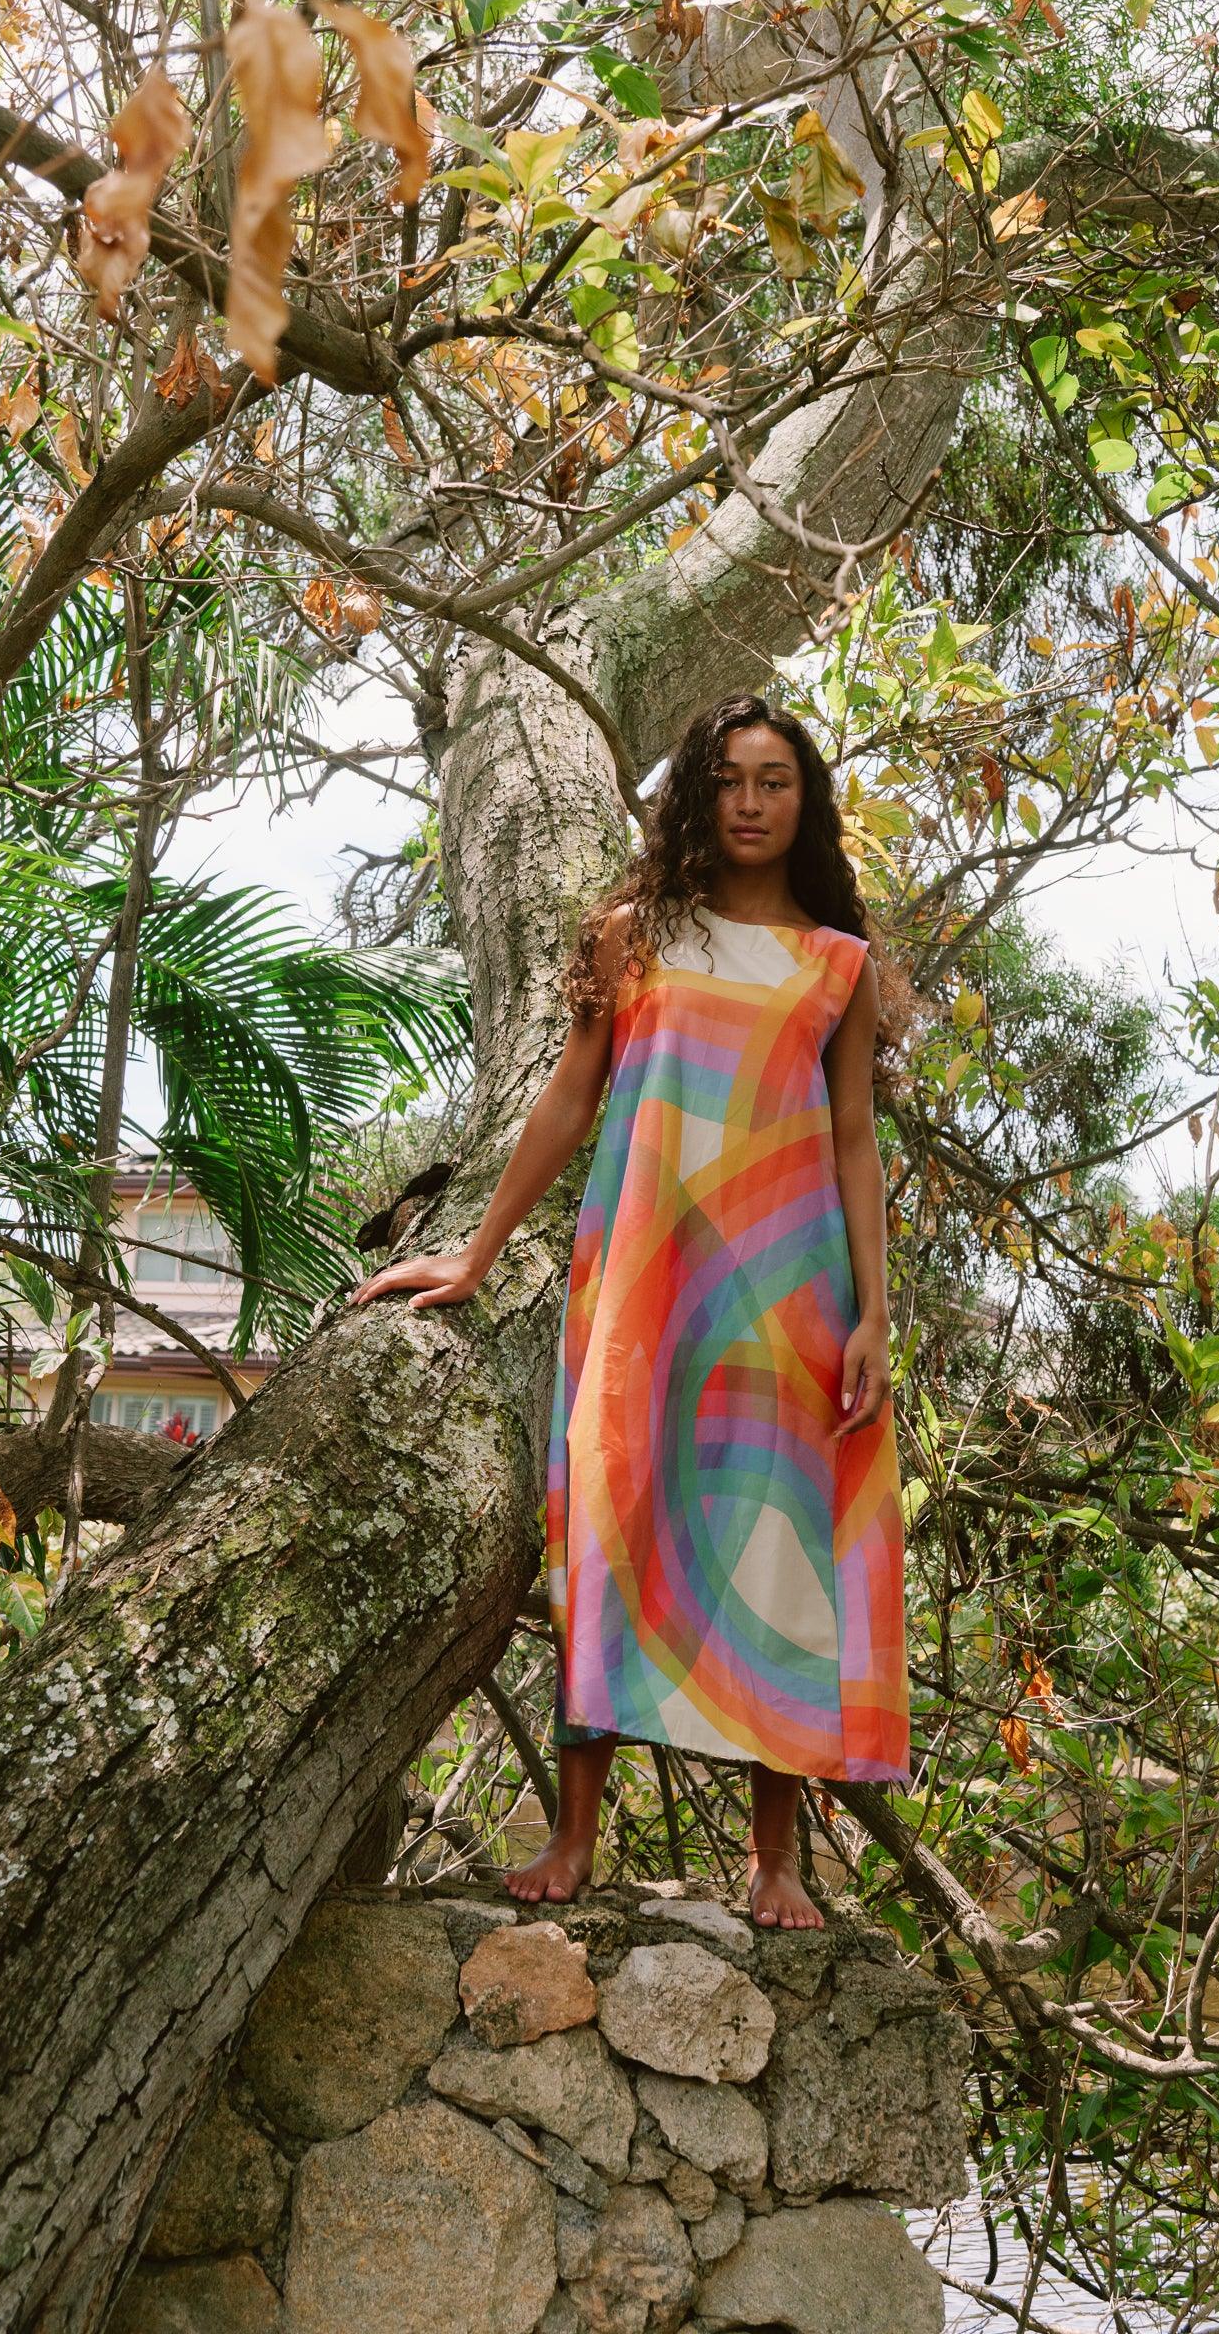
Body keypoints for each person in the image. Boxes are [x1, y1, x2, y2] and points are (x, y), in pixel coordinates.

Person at [350, 692, 912, 1927]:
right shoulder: (634, 938)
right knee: (606, 1519)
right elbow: (566, 1103)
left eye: (776, 781)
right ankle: (572, 1833)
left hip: (786, 1291)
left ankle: (777, 1861)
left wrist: (874, 1312)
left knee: (779, 1542)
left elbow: (857, 1139)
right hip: (643, 1277)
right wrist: (474, 1257)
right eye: (730, 780)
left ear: (805, 803)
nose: (752, 803)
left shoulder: (838, 968)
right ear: (696, 798)